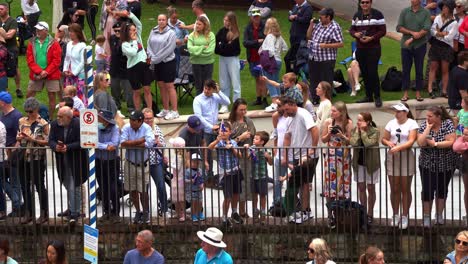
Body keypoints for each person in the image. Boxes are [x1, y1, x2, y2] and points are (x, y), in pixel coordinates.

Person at [280, 96, 319, 224]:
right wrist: (285, 156)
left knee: (304, 184)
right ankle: (301, 210)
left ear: (292, 104)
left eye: (287, 110)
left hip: (307, 157)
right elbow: (287, 137)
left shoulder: (303, 114)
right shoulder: (289, 119)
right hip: (297, 156)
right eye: (284, 111)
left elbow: (314, 129)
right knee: (299, 184)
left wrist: (312, 149)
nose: (286, 113)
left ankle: (305, 211)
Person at [417, 106, 458, 227]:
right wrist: (427, 130)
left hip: (446, 164)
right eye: (427, 116)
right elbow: (421, 143)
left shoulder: (447, 124)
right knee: (427, 190)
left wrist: (434, 144)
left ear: (438, 117)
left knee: (442, 189)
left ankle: (439, 214)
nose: (427, 118)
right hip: (427, 164)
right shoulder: (425, 125)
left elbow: (451, 141)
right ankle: (426, 216)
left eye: (430, 116)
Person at [381, 103, 419, 229]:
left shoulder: (412, 123)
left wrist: (398, 147)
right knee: (394, 188)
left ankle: (405, 215)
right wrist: (389, 143)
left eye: (399, 111)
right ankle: (395, 214)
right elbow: (384, 139)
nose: (396, 113)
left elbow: (411, 140)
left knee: (405, 188)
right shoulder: (391, 123)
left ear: (405, 112)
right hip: (393, 156)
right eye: (395, 111)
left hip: (406, 156)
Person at [49, 106, 88, 223]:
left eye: (61, 116)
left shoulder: (78, 124)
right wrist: (55, 146)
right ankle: (71, 208)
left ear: (69, 117)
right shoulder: (55, 124)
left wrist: (68, 147)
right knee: (67, 184)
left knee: (74, 186)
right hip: (62, 159)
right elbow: (51, 140)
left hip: (76, 160)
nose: (58, 118)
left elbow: (83, 141)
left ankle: (75, 212)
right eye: (58, 115)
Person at [17, 97, 49, 224]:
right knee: (24, 185)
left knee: (39, 185)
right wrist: (19, 137)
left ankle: (44, 212)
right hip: (24, 156)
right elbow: (18, 134)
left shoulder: (43, 123)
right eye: (27, 111)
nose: (29, 114)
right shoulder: (22, 121)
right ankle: (28, 212)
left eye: (31, 111)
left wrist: (34, 140)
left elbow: (47, 141)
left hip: (37, 157)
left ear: (36, 110)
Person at [321, 101, 353, 228]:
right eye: (332, 111)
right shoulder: (328, 122)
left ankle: (341, 214)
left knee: (343, 185)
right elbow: (323, 139)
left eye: (334, 111)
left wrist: (342, 136)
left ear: (341, 112)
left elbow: (351, 141)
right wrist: (329, 133)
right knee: (330, 185)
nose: (332, 113)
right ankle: (330, 215)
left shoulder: (348, 123)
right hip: (331, 156)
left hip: (343, 156)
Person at [350, 0, 386, 107]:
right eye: (362, 2)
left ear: (371, 3)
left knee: (372, 72)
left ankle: (377, 96)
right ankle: (368, 96)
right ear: (360, 4)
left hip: (373, 48)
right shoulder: (357, 15)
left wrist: (372, 38)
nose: (364, 4)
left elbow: (383, 31)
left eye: (367, 2)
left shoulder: (377, 14)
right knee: (365, 72)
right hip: (360, 48)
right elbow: (352, 29)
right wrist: (355, 34)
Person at [120, 110, 155, 224]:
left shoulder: (147, 128)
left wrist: (131, 143)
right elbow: (123, 143)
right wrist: (141, 140)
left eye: (134, 120)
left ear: (140, 121)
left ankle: (146, 212)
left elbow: (149, 144)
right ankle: (138, 211)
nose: (131, 122)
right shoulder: (126, 127)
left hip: (143, 164)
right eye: (130, 119)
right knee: (132, 189)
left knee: (143, 190)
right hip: (130, 163)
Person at [193, 80, 230, 180]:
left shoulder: (215, 96)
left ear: (213, 89)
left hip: (216, 131)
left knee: (220, 154)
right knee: (206, 155)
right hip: (205, 131)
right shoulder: (198, 99)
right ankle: (207, 178)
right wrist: (210, 126)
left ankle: (221, 176)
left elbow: (227, 102)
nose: (206, 91)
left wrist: (219, 92)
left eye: (209, 89)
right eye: (205, 88)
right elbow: (199, 116)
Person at [208, 121, 243, 227]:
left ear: (230, 132)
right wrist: (216, 141)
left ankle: (234, 211)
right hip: (226, 174)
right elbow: (210, 147)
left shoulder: (233, 142)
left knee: (236, 193)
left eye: (225, 131)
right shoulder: (218, 143)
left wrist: (232, 148)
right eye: (221, 131)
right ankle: (224, 216)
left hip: (236, 171)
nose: (223, 133)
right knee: (227, 196)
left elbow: (240, 155)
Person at [306, 7, 344, 105]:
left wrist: (326, 45)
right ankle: (315, 98)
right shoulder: (318, 25)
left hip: (326, 59)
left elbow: (340, 43)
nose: (320, 18)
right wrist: (311, 25)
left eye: (322, 16)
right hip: (314, 57)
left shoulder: (335, 27)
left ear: (328, 17)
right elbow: (309, 36)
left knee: (326, 80)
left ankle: (327, 100)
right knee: (314, 79)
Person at [26, 21, 62, 120]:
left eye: (40, 30)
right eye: (37, 29)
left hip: (51, 74)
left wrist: (46, 71)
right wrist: (39, 71)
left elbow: (56, 60)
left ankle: (50, 118)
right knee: (30, 93)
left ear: (46, 31)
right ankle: (29, 115)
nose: (37, 31)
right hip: (36, 73)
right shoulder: (31, 42)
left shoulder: (54, 43)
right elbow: (29, 60)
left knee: (51, 95)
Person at [397, 0, 431, 101]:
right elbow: (399, 27)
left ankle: (418, 93)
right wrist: (412, 32)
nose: (413, 0)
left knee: (419, 69)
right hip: (406, 46)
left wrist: (413, 38)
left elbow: (426, 29)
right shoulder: (405, 11)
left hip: (420, 45)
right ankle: (405, 93)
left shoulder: (425, 12)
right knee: (406, 69)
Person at [350, 112, 380, 224]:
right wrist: (358, 132)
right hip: (359, 164)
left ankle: (370, 213)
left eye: (360, 120)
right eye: (357, 120)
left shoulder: (375, 131)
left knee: (371, 188)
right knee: (361, 188)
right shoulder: (354, 130)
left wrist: (362, 132)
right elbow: (353, 142)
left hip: (371, 164)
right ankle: (363, 212)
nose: (358, 122)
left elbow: (368, 143)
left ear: (367, 122)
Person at [147, 13, 179, 120]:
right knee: (161, 86)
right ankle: (165, 109)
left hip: (167, 62)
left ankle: (174, 111)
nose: (161, 21)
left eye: (163, 20)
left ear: (167, 21)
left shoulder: (171, 33)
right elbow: (149, 44)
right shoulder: (153, 31)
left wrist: (155, 59)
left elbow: (168, 49)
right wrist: (151, 56)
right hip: (156, 63)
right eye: (159, 19)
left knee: (169, 86)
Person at [228, 98, 256, 219]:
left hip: (246, 156)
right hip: (234, 157)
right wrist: (240, 137)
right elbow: (226, 142)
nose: (243, 112)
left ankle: (243, 211)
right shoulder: (230, 123)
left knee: (246, 183)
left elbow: (254, 136)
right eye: (241, 110)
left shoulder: (248, 121)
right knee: (236, 184)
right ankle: (235, 211)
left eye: (245, 109)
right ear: (235, 109)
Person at [121, 11, 152, 111]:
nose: (134, 32)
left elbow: (139, 24)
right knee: (137, 91)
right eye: (132, 30)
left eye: (135, 30)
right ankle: (138, 111)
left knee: (147, 89)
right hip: (133, 68)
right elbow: (133, 53)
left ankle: (149, 110)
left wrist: (130, 15)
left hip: (143, 66)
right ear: (126, 31)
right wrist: (134, 41)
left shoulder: (137, 36)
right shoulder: (124, 44)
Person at [427, 0, 458, 99]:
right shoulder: (438, 17)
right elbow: (432, 31)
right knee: (433, 68)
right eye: (443, 7)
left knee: (445, 70)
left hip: (446, 47)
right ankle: (430, 90)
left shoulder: (454, 22)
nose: (444, 9)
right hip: (436, 45)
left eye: (446, 7)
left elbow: (449, 37)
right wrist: (441, 34)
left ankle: (444, 91)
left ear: (450, 9)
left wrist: (438, 33)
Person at [0, 92, 23, 217]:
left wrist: (13, 152)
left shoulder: (16, 116)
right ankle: (17, 204)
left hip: (13, 153)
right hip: (5, 153)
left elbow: (19, 137)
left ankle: (17, 206)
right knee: (5, 180)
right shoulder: (3, 115)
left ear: (2, 102)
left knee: (14, 181)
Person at [96, 109, 121, 224]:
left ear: (106, 120)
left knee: (113, 187)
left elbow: (114, 144)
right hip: (99, 161)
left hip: (112, 161)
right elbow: (91, 141)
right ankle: (106, 212)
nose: (98, 120)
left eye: (100, 118)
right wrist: (104, 146)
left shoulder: (115, 129)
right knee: (102, 187)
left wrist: (98, 145)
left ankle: (116, 213)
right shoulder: (95, 128)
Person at [142, 108, 168, 218]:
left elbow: (164, 145)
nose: (149, 120)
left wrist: (159, 144)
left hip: (156, 162)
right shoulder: (140, 129)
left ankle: (163, 208)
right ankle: (146, 211)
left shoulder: (156, 129)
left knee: (161, 186)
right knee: (144, 189)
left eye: (151, 118)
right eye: (146, 118)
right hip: (143, 163)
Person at [259, 17, 288, 112]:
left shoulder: (269, 36)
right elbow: (285, 48)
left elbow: (270, 50)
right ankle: (280, 102)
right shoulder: (279, 36)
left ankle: (275, 102)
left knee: (269, 81)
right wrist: (278, 52)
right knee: (276, 81)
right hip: (278, 61)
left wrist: (268, 56)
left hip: (271, 61)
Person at [215, 11, 241, 114]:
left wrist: (223, 45)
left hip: (232, 59)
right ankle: (224, 104)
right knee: (223, 82)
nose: (225, 22)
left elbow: (234, 49)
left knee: (235, 82)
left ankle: (236, 104)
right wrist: (225, 45)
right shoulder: (221, 32)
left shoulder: (235, 33)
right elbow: (217, 49)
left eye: (228, 20)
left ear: (232, 21)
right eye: (224, 20)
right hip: (223, 58)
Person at [243, 8, 267, 107]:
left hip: (263, 57)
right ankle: (258, 98)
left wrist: (254, 43)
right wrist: (257, 42)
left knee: (263, 78)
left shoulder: (264, 26)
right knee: (257, 78)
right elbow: (245, 43)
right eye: (254, 16)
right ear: (251, 17)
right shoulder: (248, 28)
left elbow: (267, 40)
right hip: (252, 57)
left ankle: (265, 99)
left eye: (258, 16)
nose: (256, 18)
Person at [109, 21, 134, 114]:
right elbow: (114, 52)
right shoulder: (112, 38)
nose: (117, 33)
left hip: (125, 68)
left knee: (128, 90)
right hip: (115, 68)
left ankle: (131, 108)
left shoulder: (127, 40)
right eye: (115, 31)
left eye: (119, 31)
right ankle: (116, 106)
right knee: (115, 89)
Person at [247, 131, 272, 224]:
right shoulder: (251, 148)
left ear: (262, 142)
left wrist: (268, 157)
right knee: (254, 195)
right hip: (253, 176)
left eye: (256, 139)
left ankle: (262, 213)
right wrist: (248, 151)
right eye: (254, 138)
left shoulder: (266, 150)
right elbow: (248, 158)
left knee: (262, 195)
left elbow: (270, 163)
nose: (254, 140)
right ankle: (255, 212)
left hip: (262, 176)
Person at [187, 16, 215, 95]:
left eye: (199, 24)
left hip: (208, 63)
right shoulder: (192, 35)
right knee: (198, 86)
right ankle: (198, 104)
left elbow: (210, 51)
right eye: (196, 24)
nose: (197, 26)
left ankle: (208, 103)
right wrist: (203, 47)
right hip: (196, 63)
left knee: (208, 86)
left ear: (205, 25)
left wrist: (196, 51)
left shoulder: (211, 35)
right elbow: (190, 49)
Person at [270, 101, 290, 207]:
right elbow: (276, 133)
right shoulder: (277, 117)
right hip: (279, 154)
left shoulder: (291, 118)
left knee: (294, 180)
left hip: (292, 154)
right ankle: (276, 202)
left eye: (279, 105)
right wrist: (275, 147)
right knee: (278, 180)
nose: (277, 108)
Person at [0, 3, 22, 98]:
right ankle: (6, 90)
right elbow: (6, 35)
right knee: (2, 69)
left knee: (14, 68)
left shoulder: (12, 21)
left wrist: (1, 32)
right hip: (1, 49)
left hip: (11, 48)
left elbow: (9, 36)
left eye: (1, 9)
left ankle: (18, 88)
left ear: (7, 10)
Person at [63, 23, 87, 105]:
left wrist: (74, 72)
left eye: (72, 32)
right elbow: (67, 58)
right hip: (69, 73)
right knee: (69, 93)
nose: (70, 34)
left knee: (79, 93)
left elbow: (83, 61)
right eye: (69, 31)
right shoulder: (69, 44)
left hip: (79, 74)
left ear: (78, 33)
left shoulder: (82, 45)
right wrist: (65, 69)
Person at [286, 0, 313, 73]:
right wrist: (291, 17)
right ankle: (291, 71)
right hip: (293, 35)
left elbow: (306, 19)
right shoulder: (296, 6)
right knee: (291, 56)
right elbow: (290, 16)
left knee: (297, 56)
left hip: (301, 36)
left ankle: (295, 71)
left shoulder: (308, 7)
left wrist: (295, 17)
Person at [167, 6, 189, 76]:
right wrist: (173, 40)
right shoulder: (166, 24)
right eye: (173, 18)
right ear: (169, 17)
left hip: (180, 49)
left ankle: (178, 78)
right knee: (170, 66)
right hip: (169, 49)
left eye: (176, 17)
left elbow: (187, 33)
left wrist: (186, 38)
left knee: (179, 65)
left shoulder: (181, 23)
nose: (175, 19)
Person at [169, 137, 187, 222]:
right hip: (177, 178)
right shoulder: (180, 156)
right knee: (176, 198)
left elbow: (176, 167)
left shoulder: (179, 157)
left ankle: (182, 214)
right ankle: (177, 213)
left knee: (180, 198)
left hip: (179, 180)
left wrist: (168, 163)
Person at [185, 153, 204, 222]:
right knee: (194, 203)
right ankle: (193, 215)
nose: (196, 163)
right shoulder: (187, 171)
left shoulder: (200, 170)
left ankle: (200, 213)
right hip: (192, 190)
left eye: (198, 162)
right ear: (191, 162)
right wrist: (190, 181)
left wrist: (202, 184)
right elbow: (184, 180)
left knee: (200, 202)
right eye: (194, 162)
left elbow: (202, 179)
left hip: (199, 190)